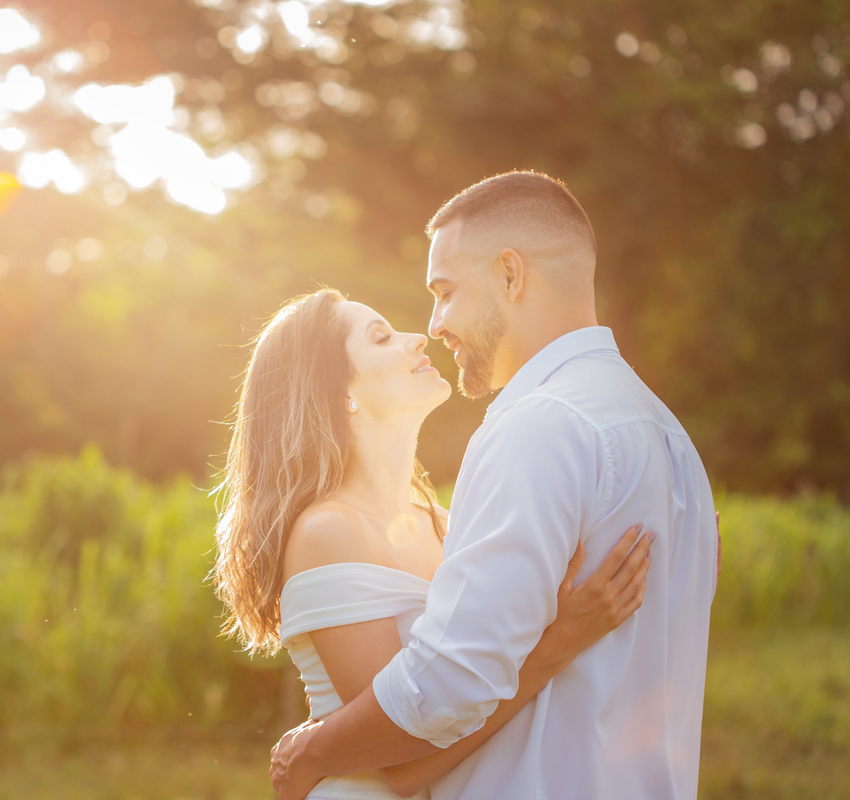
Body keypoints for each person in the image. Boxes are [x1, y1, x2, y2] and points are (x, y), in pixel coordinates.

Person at [268, 172, 720, 800]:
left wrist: (313, 746)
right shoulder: (665, 433)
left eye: (446, 292)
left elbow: (449, 685)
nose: (432, 324)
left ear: (510, 275)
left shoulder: (538, 426)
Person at [213, 284, 654, 800]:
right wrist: (559, 644)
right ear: (340, 394)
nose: (417, 338)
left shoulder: (448, 522)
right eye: (382, 338)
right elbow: (405, 760)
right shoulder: (328, 532)